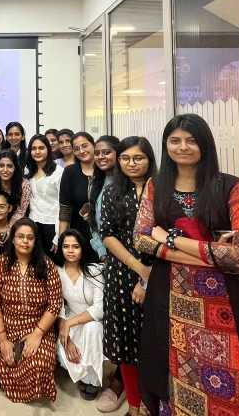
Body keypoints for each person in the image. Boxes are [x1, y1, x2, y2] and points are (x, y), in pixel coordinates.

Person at [134, 115, 239, 416]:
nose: (182, 147)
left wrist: (170, 239)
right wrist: (213, 253)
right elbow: (141, 239)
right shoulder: (156, 186)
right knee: (171, 369)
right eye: (175, 140)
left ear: (205, 144)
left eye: (191, 140)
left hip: (225, 301)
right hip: (170, 297)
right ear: (166, 145)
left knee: (236, 374)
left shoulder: (233, 187)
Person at [99, 136, 157, 416]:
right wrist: (138, 268)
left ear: (150, 159)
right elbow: (107, 234)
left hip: (158, 272)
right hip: (121, 274)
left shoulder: (162, 191)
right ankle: (134, 406)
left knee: (153, 343)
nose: (131, 164)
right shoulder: (113, 192)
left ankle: (153, 405)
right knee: (124, 344)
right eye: (125, 158)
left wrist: (146, 277)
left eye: (138, 158)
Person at [0, 218, 63, 403]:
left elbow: (55, 303)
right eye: (20, 236)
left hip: (38, 326)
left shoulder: (47, 265)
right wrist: (2, 338)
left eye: (30, 238)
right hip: (7, 327)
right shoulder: (0, 263)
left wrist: (37, 334)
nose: (25, 241)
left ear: (36, 241)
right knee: (9, 360)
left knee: (39, 364)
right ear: (13, 239)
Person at [55, 229, 105, 401]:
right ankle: (84, 374)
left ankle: (92, 380)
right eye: (66, 246)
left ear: (82, 248)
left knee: (93, 329)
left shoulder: (93, 271)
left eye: (75, 247)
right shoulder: (58, 272)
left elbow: (100, 308)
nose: (70, 251)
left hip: (93, 321)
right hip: (68, 320)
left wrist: (70, 324)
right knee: (67, 354)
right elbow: (58, 308)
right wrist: (67, 335)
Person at [59, 132, 97, 262]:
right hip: (78, 234)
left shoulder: (104, 170)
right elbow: (65, 209)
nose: (81, 151)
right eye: (76, 149)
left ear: (93, 145)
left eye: (85, 146)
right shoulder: (70, 172)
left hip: (104, 233)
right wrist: (62, 239)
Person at [25, 134, 64, 258]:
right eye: (33, 148)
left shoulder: (58, 172)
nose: (37, 152)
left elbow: (62, 204)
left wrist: (58, 235)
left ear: (48, 149)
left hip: (52, 224)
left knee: (53, 262)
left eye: (41, 148)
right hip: (33, 223)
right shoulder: (28, 170)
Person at [0, 150, 31, 246]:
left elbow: (20, 212)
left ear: (15, 167)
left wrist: (9, 228)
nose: (5, 170)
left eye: (9, 166)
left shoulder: (24, 184)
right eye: (1, 166)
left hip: (15, 223)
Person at [89, 136, 119, 262]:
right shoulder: (96, 183)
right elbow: (93, 220)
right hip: (104, 254)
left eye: (106, 152)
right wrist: (101, 251)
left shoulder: (127, 184)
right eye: (97, 153)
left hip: (126, 252)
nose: (100, 157)